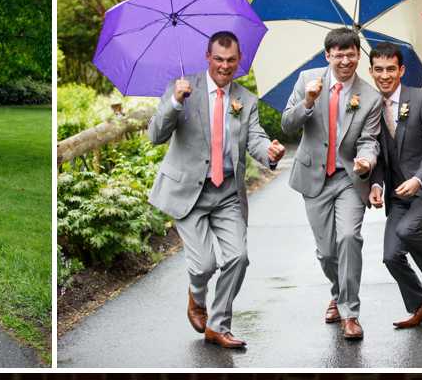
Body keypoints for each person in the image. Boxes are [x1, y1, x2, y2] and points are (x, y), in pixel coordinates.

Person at [147, 31, 283, 351]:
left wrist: (270, 153)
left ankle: (218, 325)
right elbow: (155, 135)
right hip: (189, 193)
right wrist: (174, 102)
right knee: (204, 265)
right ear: (207, 57)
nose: (224, 66)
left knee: (239, 257)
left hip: (227, 194)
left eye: (231, 60)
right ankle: (197, 296)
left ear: (239, 61)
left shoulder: (245, 100)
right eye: (218, 59)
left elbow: (256, 140)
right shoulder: (182, 88)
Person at [355, 47, 422, 330]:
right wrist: (375, 183)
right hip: (398, 194)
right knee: (391, 256)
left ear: (401, 70)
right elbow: (376, 151)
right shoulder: (372, 107)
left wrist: (418, 179)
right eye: (379, 69)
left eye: (391, 69)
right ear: (371, 71)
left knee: (407, 230)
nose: (385, 75)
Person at [281, 30, 373, 342]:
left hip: (349, 178)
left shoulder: (369, 96)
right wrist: (307, 100)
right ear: (327, 56)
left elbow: (370, 140)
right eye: (339, 55)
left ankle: (350, 312)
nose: (345, 61)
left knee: (349, 237)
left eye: (351, 54)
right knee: (327, 252)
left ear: (359, 55)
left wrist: (366, 160)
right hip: (313, 179)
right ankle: (338, 291)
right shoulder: (308, 80)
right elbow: (287, 125)